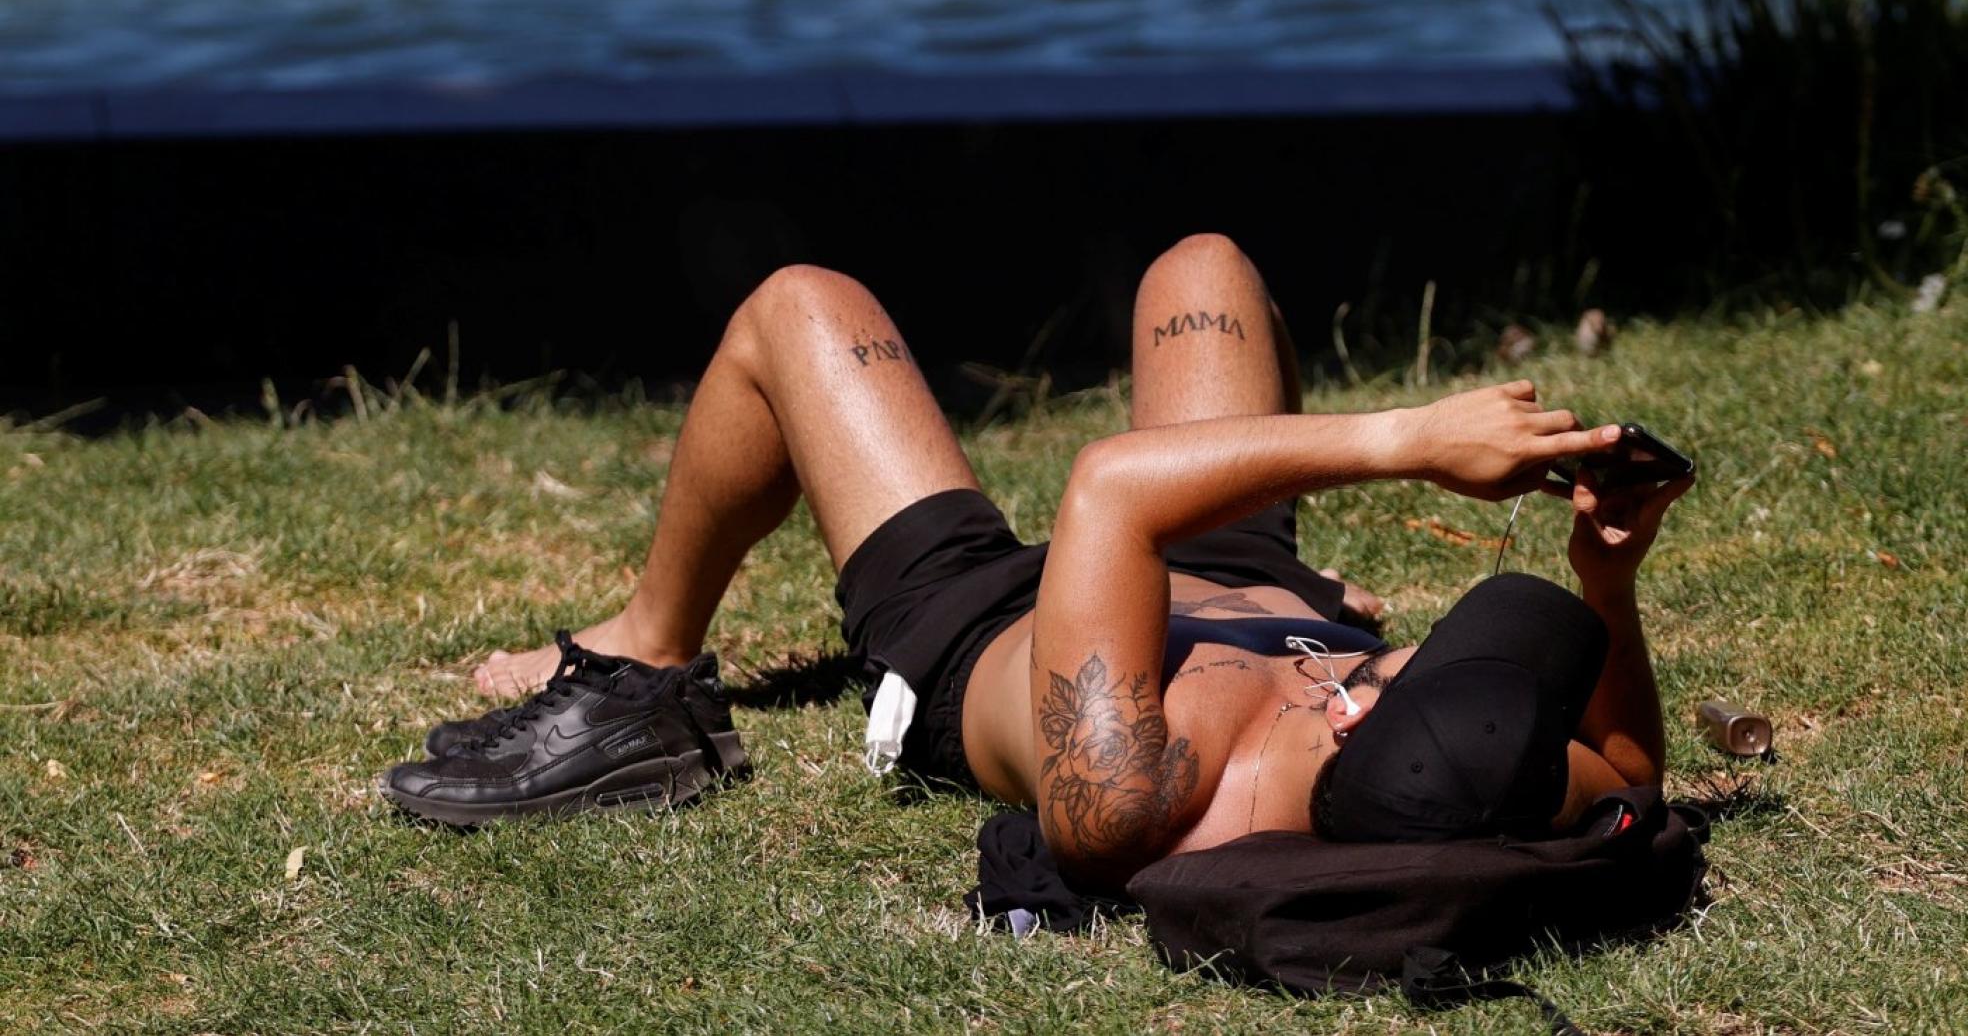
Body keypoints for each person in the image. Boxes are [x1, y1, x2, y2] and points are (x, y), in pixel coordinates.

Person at [379, 235, 1691, 888]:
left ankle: (648, 647)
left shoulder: (1132, 791)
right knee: (1205, 265)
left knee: (797, 307)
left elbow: (1109, 493)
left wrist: (1407, 438)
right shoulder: (1481, 777)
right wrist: (1606, 582)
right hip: (1241, 583)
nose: (1380, 666)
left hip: (986, 623)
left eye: (1389, 676)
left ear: (1352, 718)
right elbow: (1631, 768)